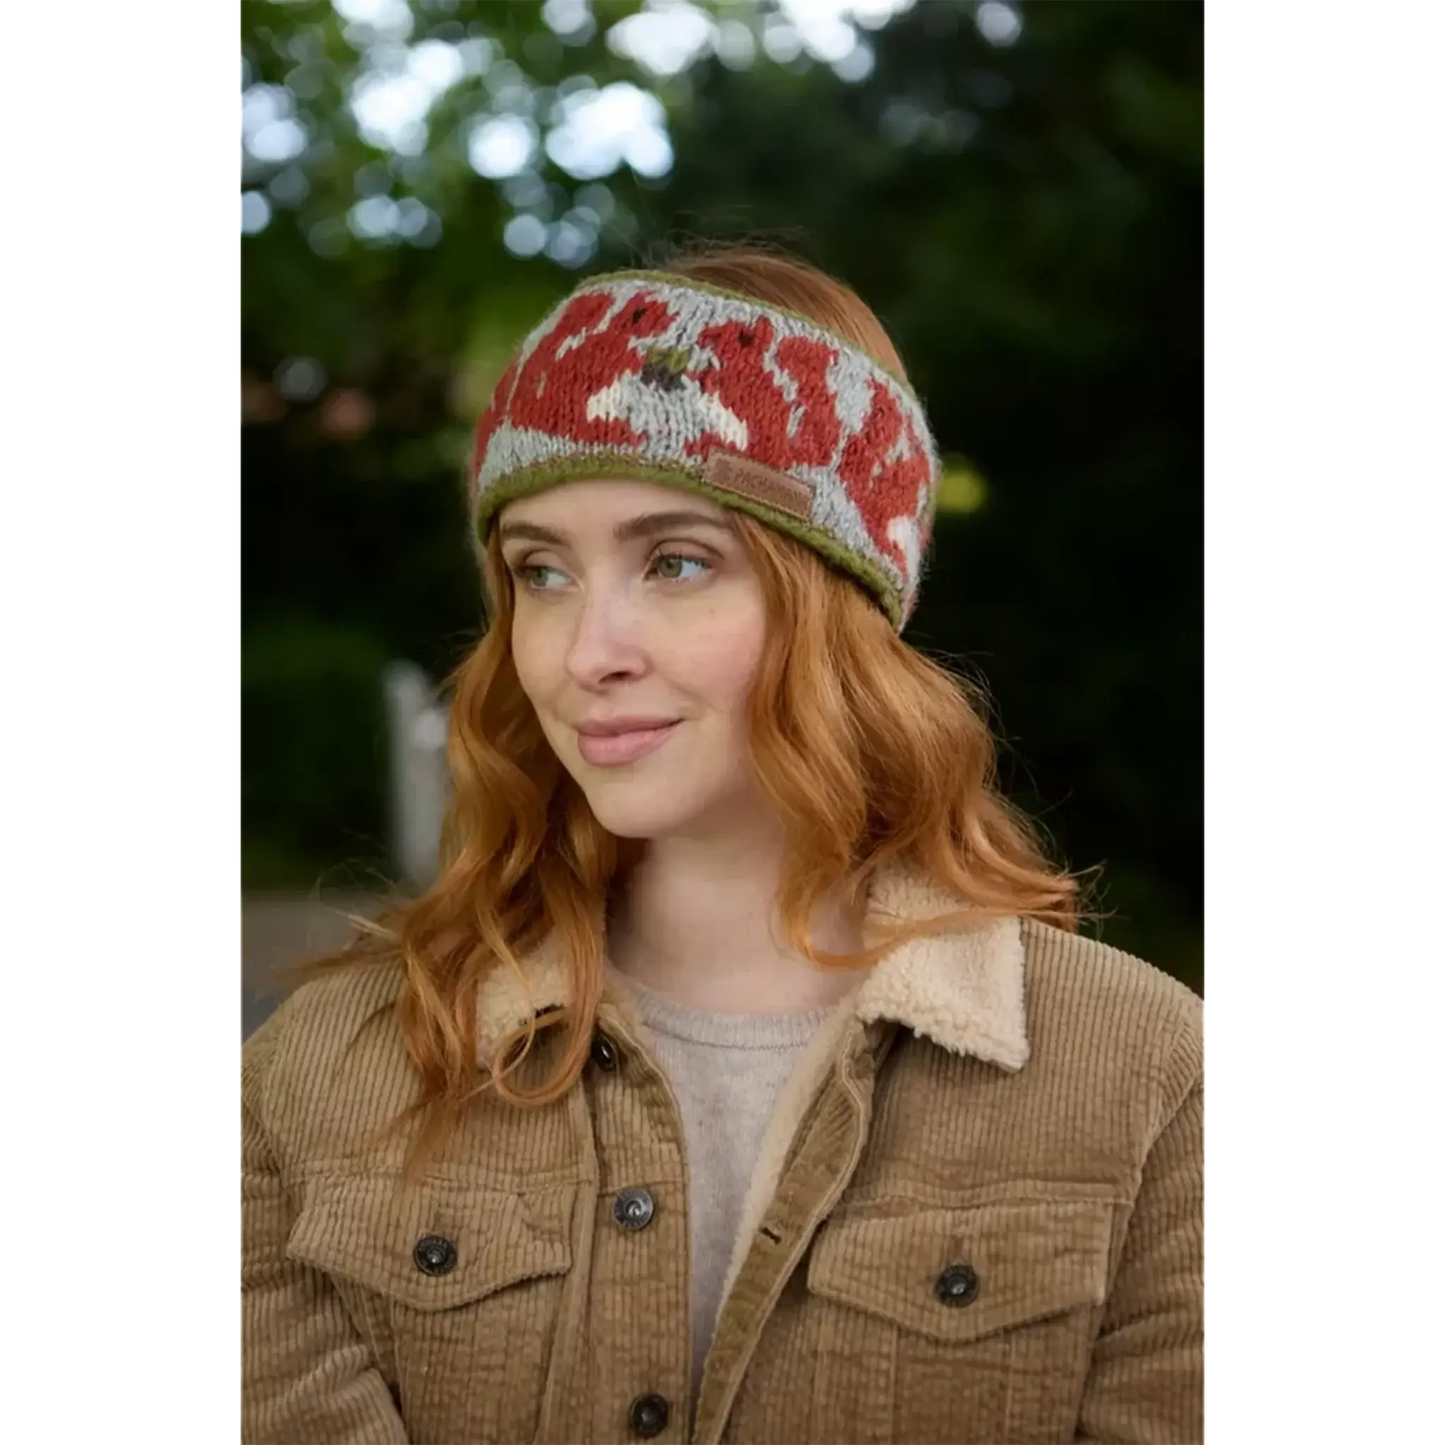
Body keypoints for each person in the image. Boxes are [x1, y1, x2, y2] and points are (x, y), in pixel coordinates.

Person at [238, 248, 1206, 1445]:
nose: (584, 651)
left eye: (676, 560)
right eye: (541, 571)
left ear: (840, 602)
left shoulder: (1147, 1079)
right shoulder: (316, 1073)